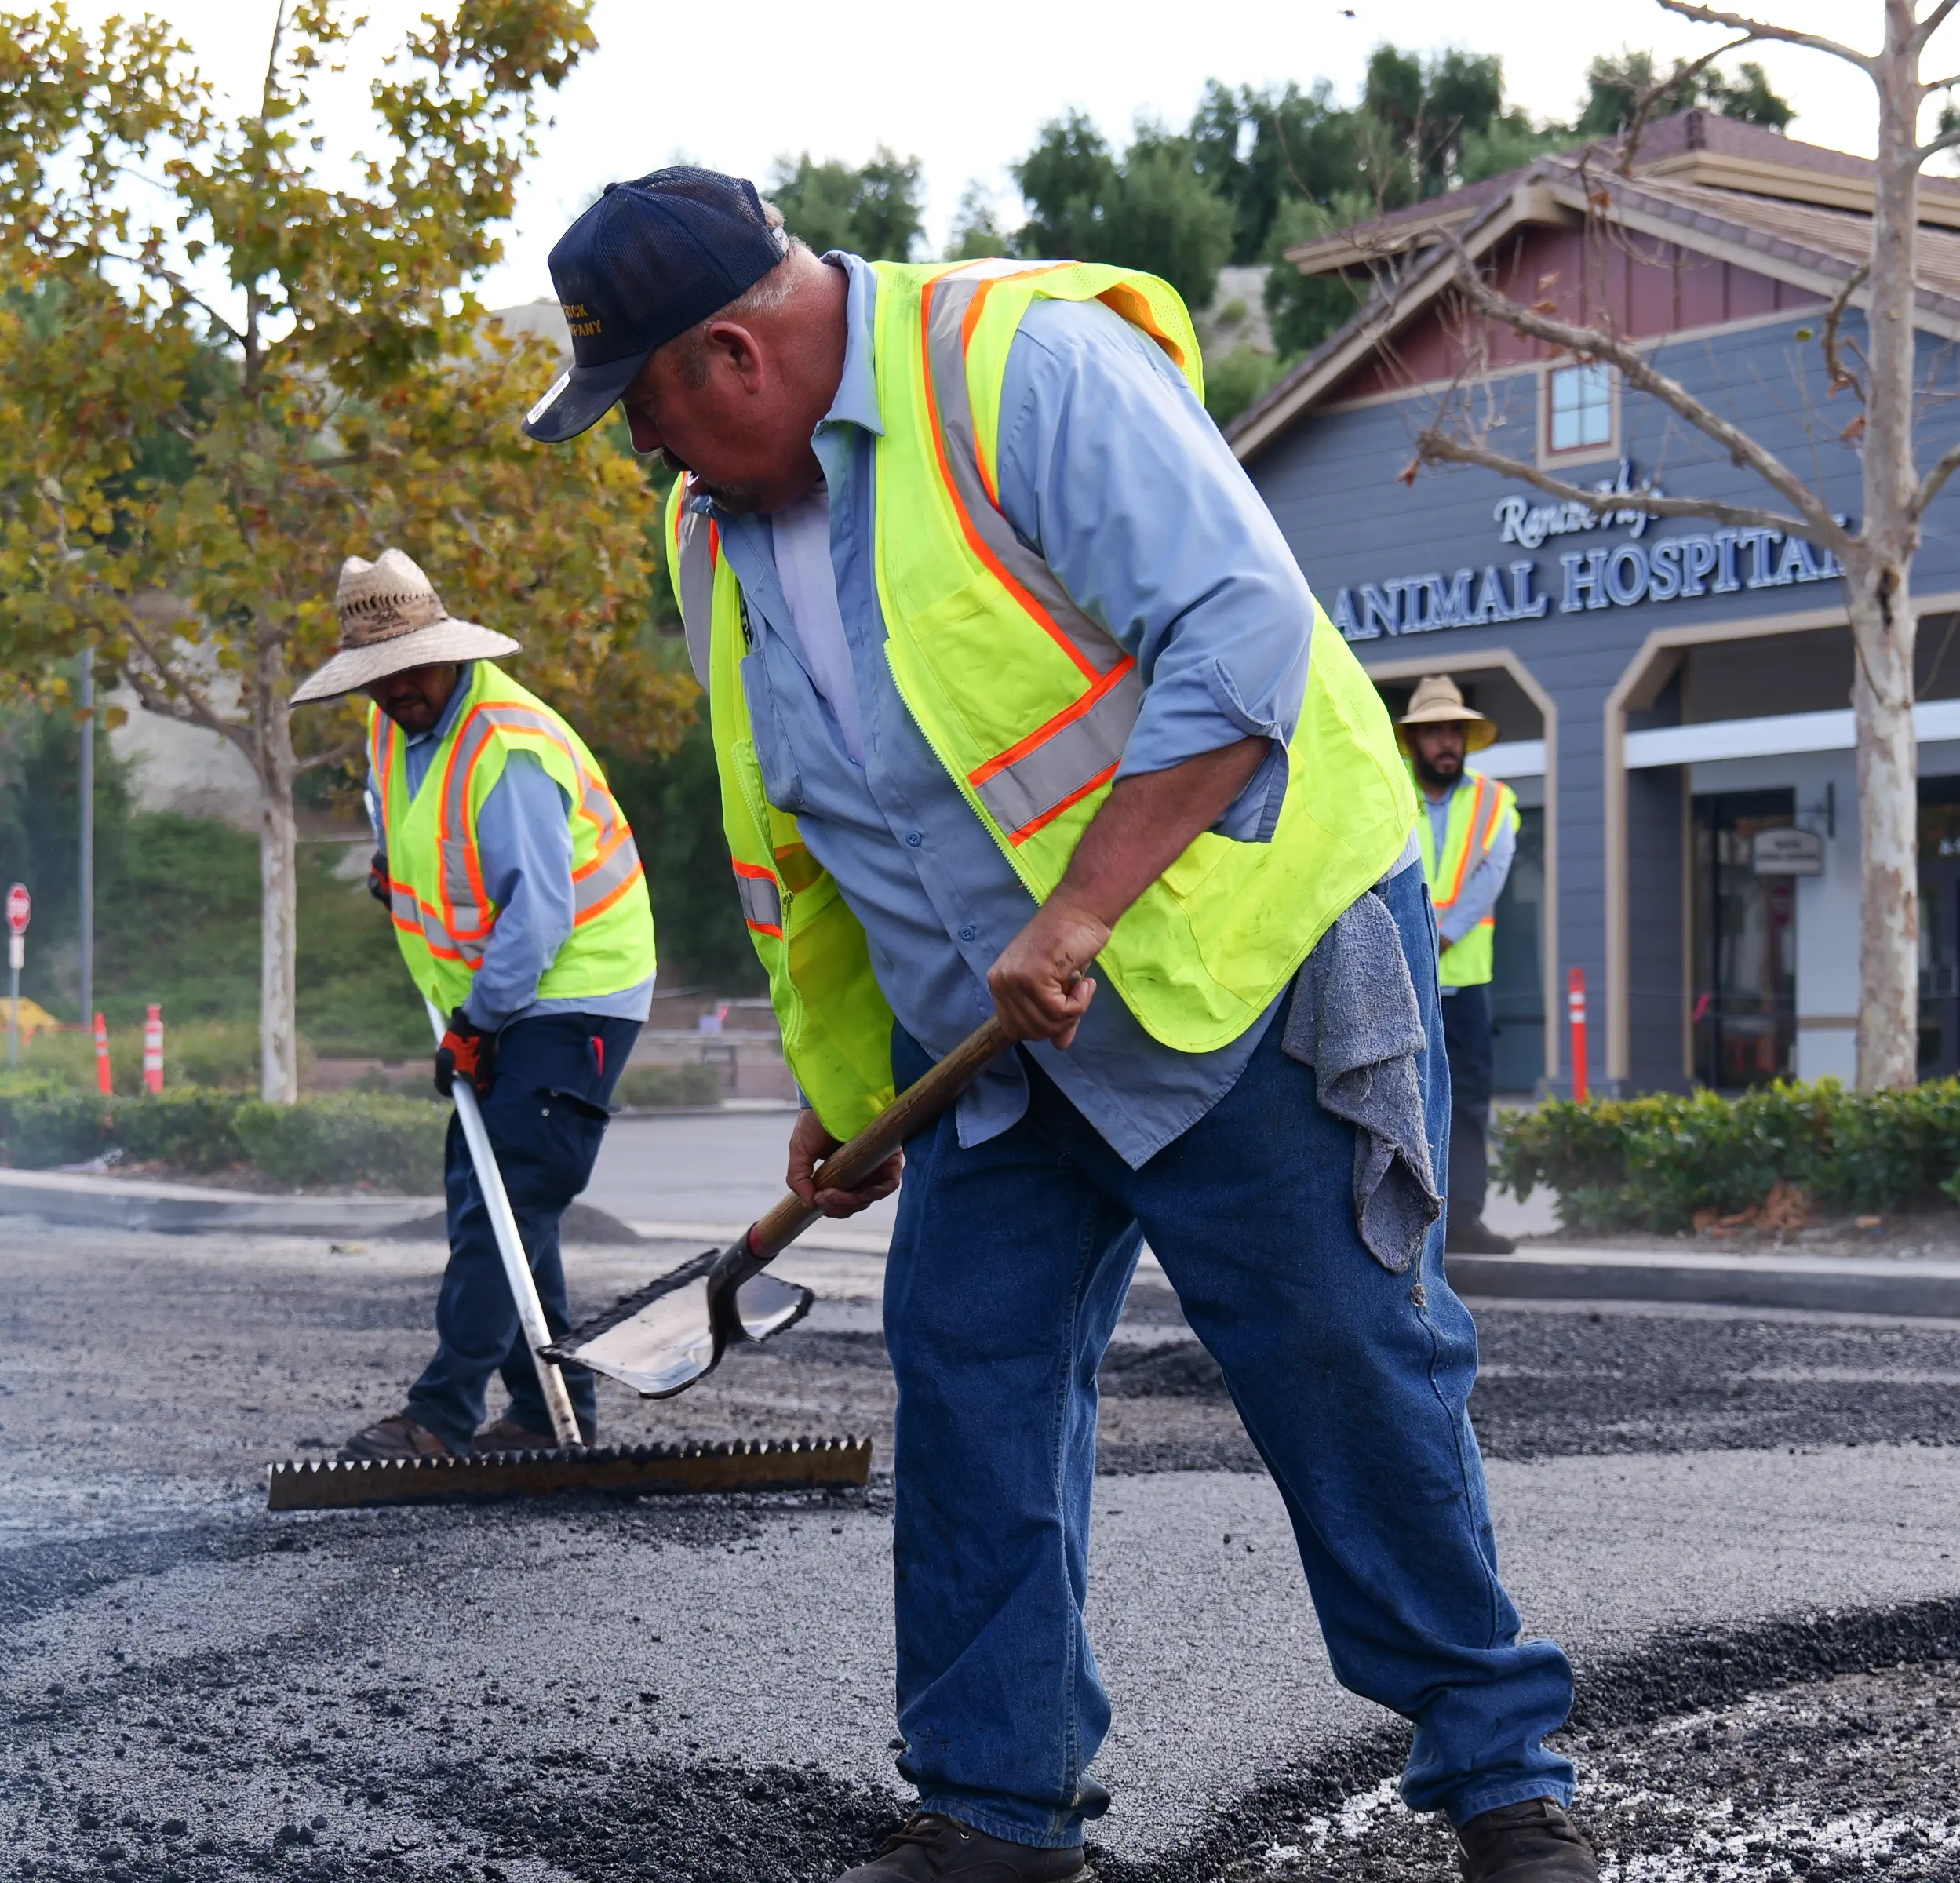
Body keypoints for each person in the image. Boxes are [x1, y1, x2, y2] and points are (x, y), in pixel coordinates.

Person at [525, 168, 1595, 1883]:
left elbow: (1236, 644)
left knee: (1343, 1362)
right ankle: (995, 1810)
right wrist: (840, 1078)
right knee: (970, 1378)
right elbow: (802, 823)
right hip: (997, 1041)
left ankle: (1498, 1777)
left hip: (1229, 969)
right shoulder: (710, 528)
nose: (642, 453)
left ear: (726, 351)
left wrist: (1081, 906)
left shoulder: (1023, 375)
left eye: (641, 405)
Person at [290, 548, 655, 1459]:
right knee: (500, 1196)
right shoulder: (395, 728)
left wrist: (475, 1026)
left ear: (448, 648)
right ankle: (544, 1416)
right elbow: (414, 831)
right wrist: (390, 871)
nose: (399, 687)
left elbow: (537, 916)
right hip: (502, 997)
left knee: (504, 1198)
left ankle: (439, 1416)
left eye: (412, 665)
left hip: (572, 992)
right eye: (379, 674)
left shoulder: (510, 747)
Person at [1395, 676, 1521, 1258]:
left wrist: (1440, 935)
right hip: (1400, 974)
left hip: (1464, 978)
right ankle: (1403, 1222)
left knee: (1467, 1100)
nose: (1445, 742)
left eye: (1454, 731)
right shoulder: (1388, 792)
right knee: (1398, 1097)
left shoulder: (1496, 801)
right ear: (1413, 741)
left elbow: (1490, 876)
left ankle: (1464, 1219)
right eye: (1433, 732)